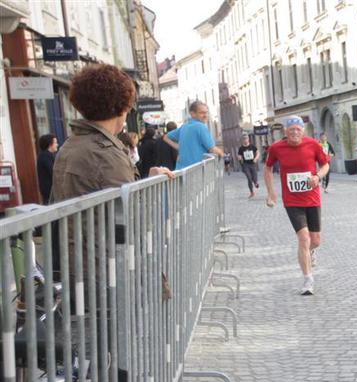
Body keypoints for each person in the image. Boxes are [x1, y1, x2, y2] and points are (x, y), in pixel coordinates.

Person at [50, 63, 174, 296]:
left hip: (83, 267)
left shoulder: (72, 144)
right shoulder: (104, 152)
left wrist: (146, 179)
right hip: (106, 274)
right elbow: (133, 217)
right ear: (121, 106)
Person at [263, 116, 331, 296]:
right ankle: (308, 280)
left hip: (312, 199)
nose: (294, 133)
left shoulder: (313, 145)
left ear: (303, 131)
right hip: (292, 200)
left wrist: (317, 177)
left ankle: (308, 254)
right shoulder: (276, 148)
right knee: (304, 239)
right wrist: (270, 192)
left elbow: (325, 165)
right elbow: (267, 168)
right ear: (286, 131)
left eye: (298, 130)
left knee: (315, 240)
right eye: (291, 129)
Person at [163, 100, 224, 170]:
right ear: (192, 114)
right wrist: (223, 155)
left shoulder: (185, 126)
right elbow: (212, 149)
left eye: (206, 112)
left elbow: (166, 137)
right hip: (196, 171)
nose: (205, 115)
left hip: (181, 171)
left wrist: (179, 147)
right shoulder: (201, 127)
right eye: (202, 113)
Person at [36, 134, 58, 204]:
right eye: (55, 143)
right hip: (50, 191)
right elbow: (54, 172)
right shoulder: (45, 156)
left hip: (50, 190)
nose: (57, 144)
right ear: (50, 144)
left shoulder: (45, 155)